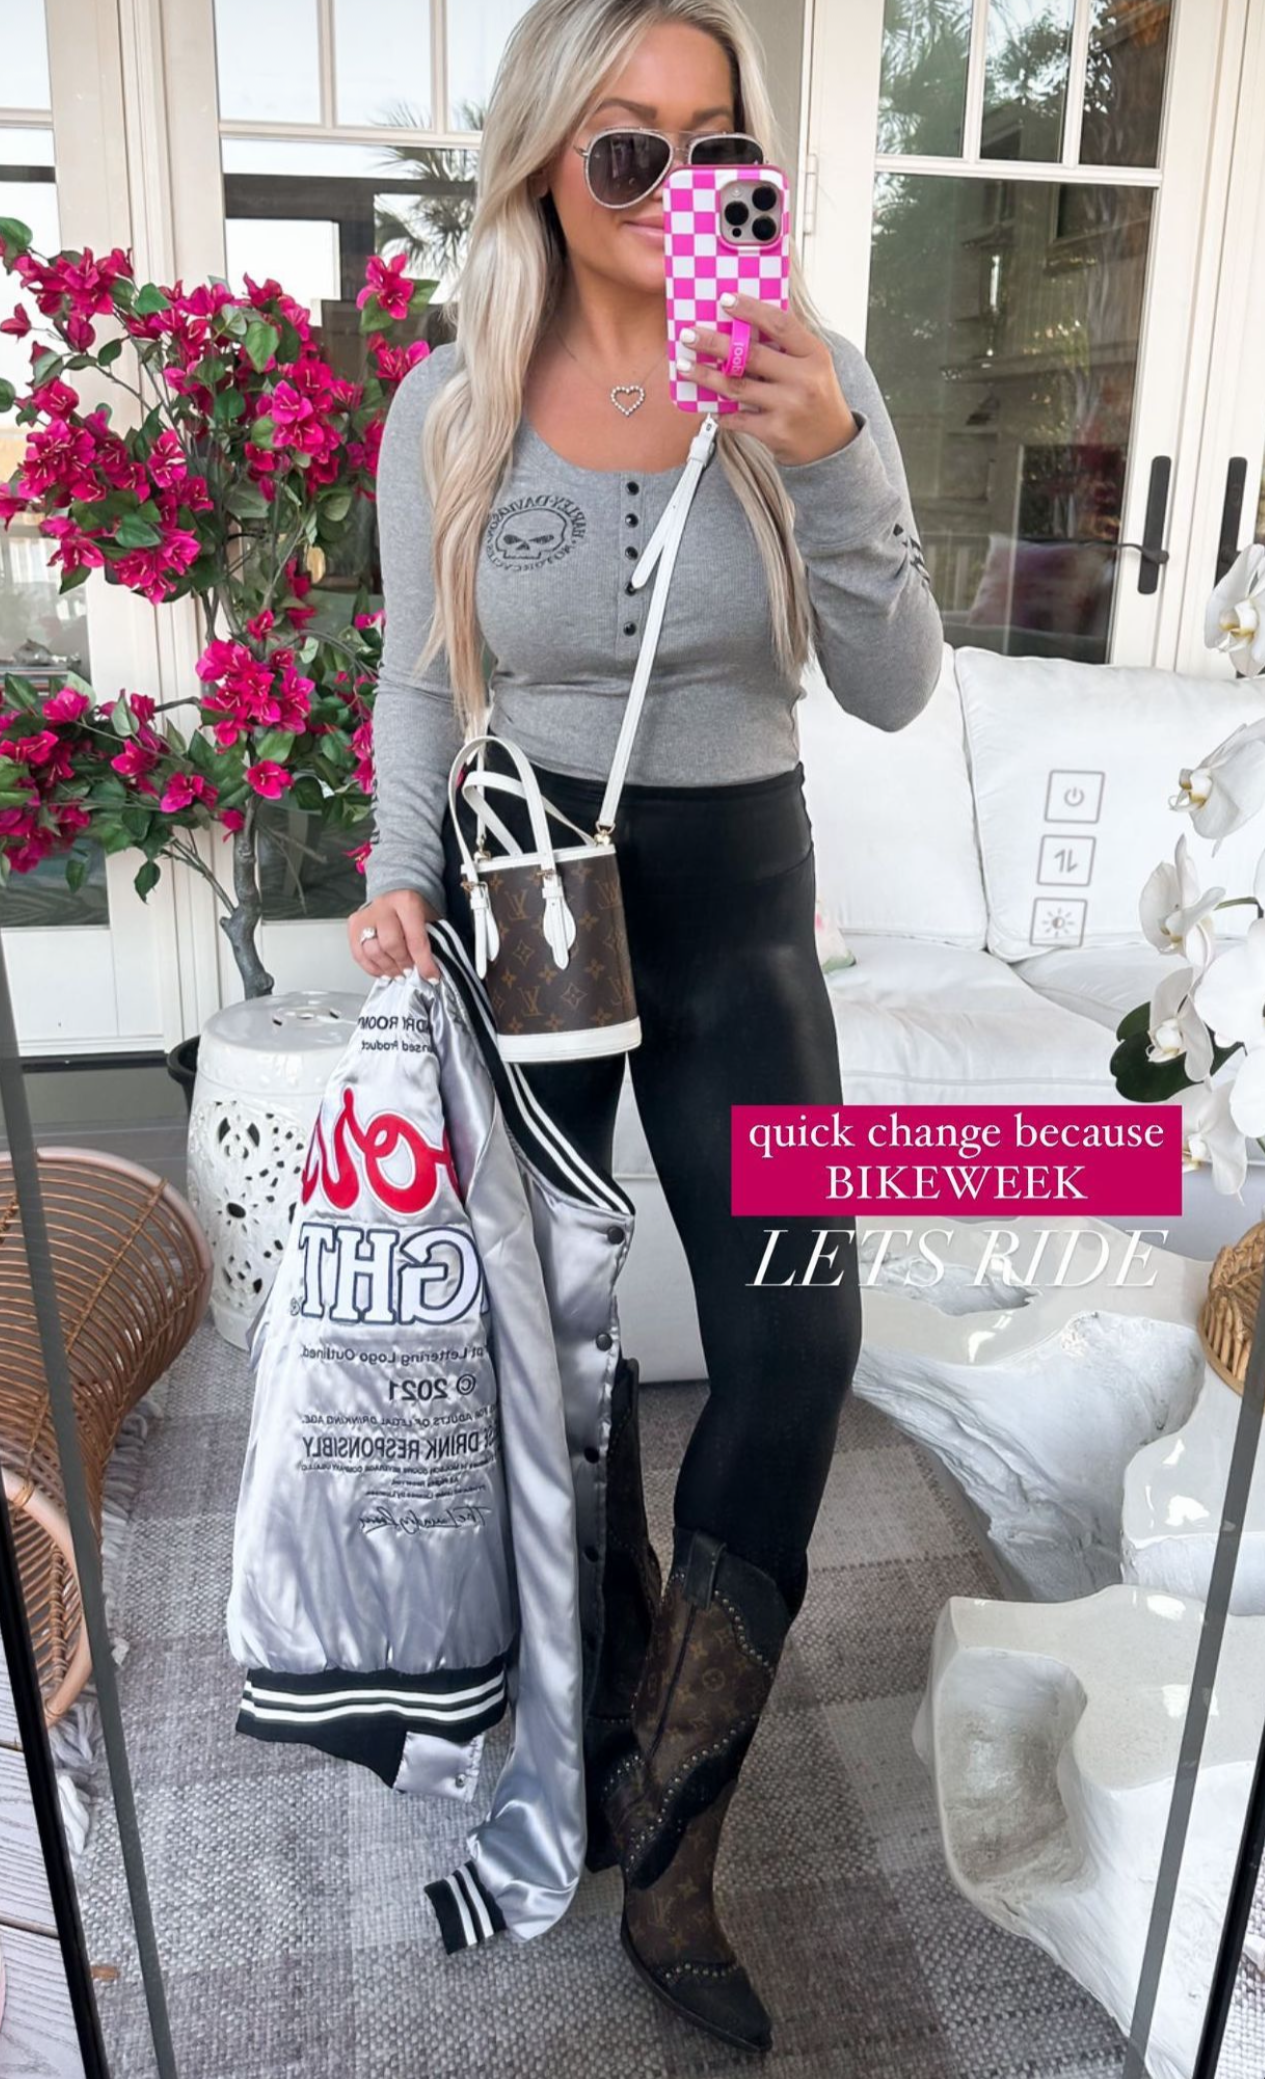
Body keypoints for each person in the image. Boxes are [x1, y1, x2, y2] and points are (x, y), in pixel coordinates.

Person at [348, 0, 943, 2055]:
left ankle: (675, 1833)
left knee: (796, 1334)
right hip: (531, 890)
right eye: (625, 145)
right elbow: (422, 671)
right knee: (558, 1343)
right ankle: (587, 1710)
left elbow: (892, 687)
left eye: (714, 147)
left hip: (742, 909)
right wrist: (396, 868)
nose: (671, 185)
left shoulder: (808, 380)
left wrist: (832, 452)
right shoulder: (452, 398)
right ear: (540, 156)